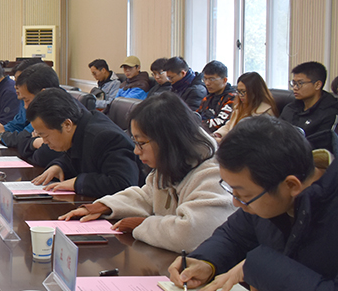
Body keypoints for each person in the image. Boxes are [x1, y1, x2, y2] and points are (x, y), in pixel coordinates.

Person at [169, 116, 338, 291]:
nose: (236, 203)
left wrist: (256, 267)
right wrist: (206, 261)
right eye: (232, 191)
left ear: (291, 185)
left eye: (244, 195)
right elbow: (234, 235)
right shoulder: (268, 193)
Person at [59, 93, 234, 252]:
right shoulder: (170, 164)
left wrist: (142, 225)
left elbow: (192, 234)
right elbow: (148, 196)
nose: (136, 151)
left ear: (168, 140)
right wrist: (106, 206)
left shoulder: (214, 174)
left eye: (141, 143)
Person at [28, 87, 143, 196]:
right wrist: (59, 167)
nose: (44, 142)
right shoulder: (79, 128)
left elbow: (124, 183)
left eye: (45, 136)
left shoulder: (105, 137)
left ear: (67, 124)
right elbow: (75, 160)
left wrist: (77, 183)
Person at [0, 62, 63, 167]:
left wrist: (32, 143)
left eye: (27, 100)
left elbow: (43, 156)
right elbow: (23, 140)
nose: (25, 106)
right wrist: (35, 142)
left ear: (43, 94)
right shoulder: (44, 109)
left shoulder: (59, 112)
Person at [279, 61, 338, 150]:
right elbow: (276, 133)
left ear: (317, 85)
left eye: (300, 83)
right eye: (293, 83)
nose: (295, 88)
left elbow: (320, 147)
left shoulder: (330, 112)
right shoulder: (290, 108)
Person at [213, 71, 277, 139]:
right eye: (239, 91)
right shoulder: (239, 106)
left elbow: (252, 138)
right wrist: (218, 134)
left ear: (255, 91)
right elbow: (230, 125)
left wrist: (223, 141)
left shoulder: (265, 113)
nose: (240, 95)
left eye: (243, 91)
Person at [197, 60, 236, 133]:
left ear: (224, 80)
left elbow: (220, 122)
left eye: (212, 79)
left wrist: (196, 125)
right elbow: (196, 117)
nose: (207, 83)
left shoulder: (233, 98)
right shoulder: (207, 98)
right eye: (205, 79)